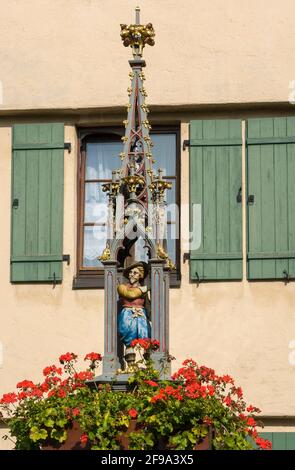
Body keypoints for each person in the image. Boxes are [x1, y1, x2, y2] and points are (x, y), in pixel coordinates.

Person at [117, 261, 151, 347]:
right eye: (130, 272)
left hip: (141, 317)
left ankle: (148, 359)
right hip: (127, 317)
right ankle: (130, 360)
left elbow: (147, 306)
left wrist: (151, 317)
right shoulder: (122, 287)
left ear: (140, 275)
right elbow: (130, 294)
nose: (132, 274)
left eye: (135, 273)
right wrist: (146, 288)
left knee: (146, 342)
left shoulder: (144, 291)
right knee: (129, 343)